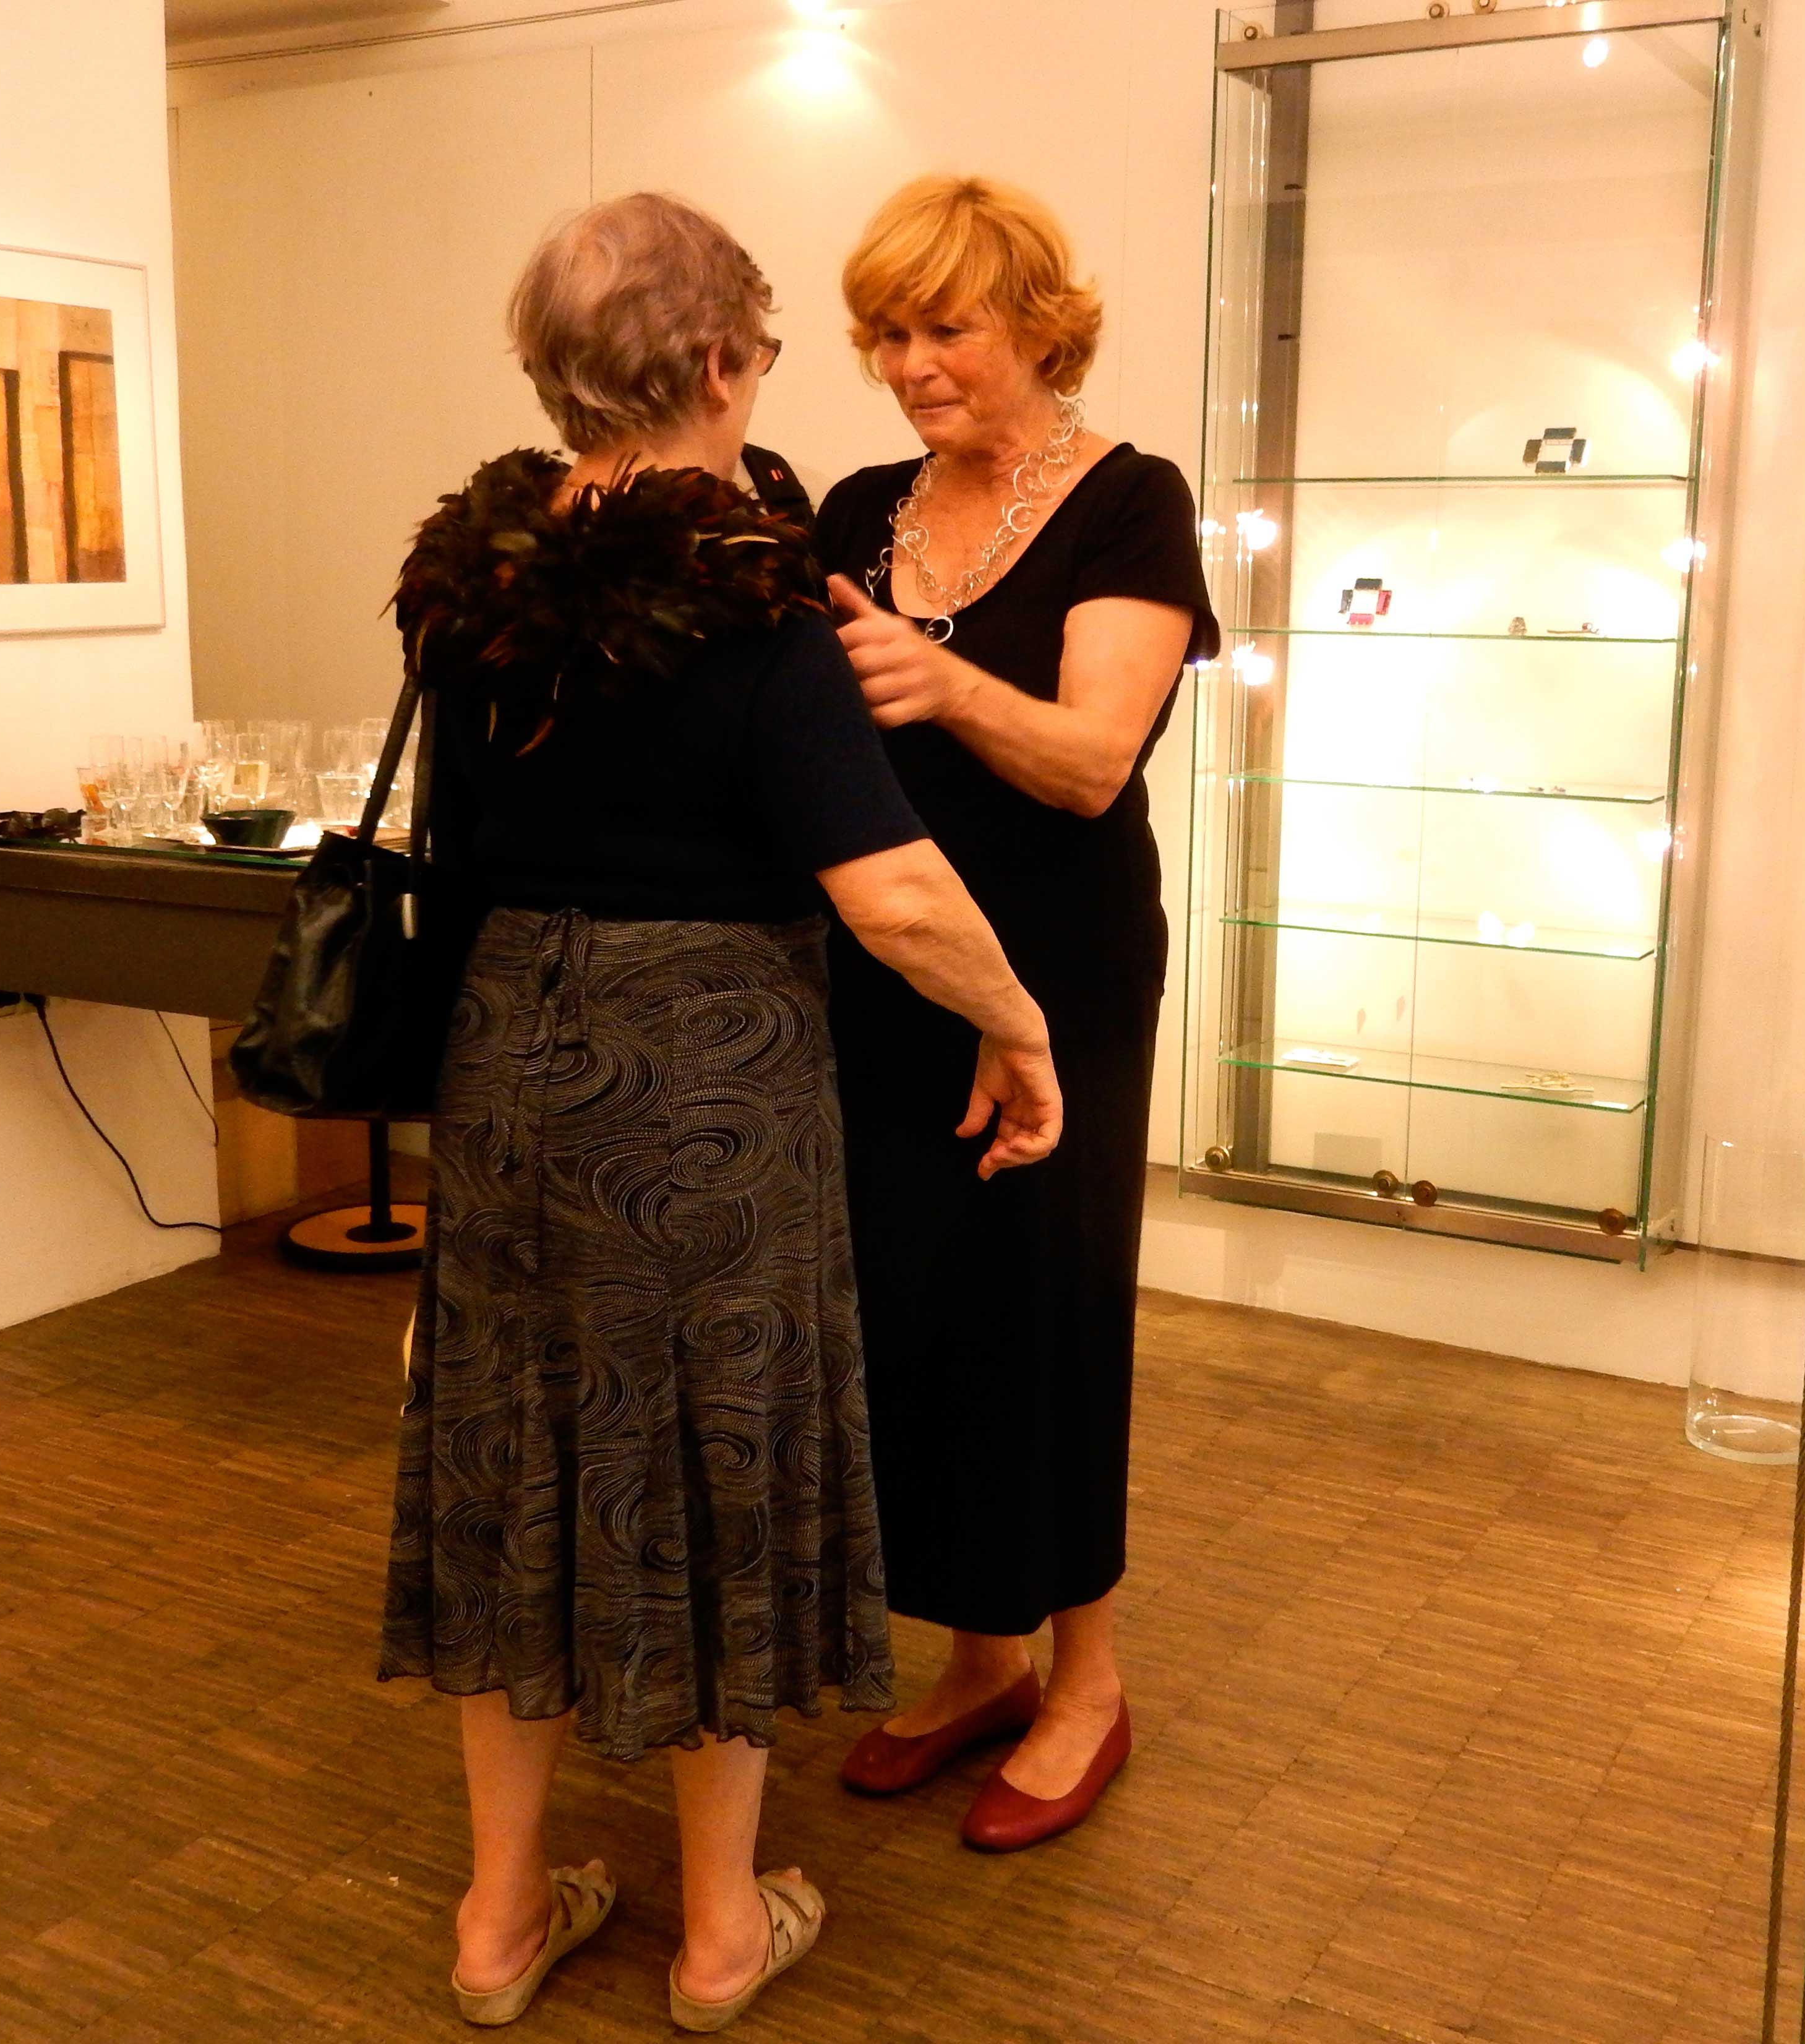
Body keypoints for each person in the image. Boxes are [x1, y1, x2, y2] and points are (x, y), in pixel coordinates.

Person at [378, 191, 1061, 2029]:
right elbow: (892, 892)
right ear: (708, 363)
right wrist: (1021, 1027)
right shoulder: (753, 596)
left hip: (509, 1060)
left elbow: (463, 842)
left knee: (519, 1459)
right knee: (714, 1462)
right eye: (758, 351)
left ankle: (499, 1920)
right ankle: (717, 1933)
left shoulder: (472, 579)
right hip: (709, 1079)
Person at [812, 175, 1217, 1852]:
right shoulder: (856, 510)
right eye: (886, 334)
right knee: (911, 1307)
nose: (911, 364)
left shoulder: (1131, 503)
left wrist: (943, 680)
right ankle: (979, 1656)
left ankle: (1087, 1681)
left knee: (1046, 1309)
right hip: (890, 965)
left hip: (1059, 973)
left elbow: (1093, 760)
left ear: (1040, 326)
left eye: (947, 328)